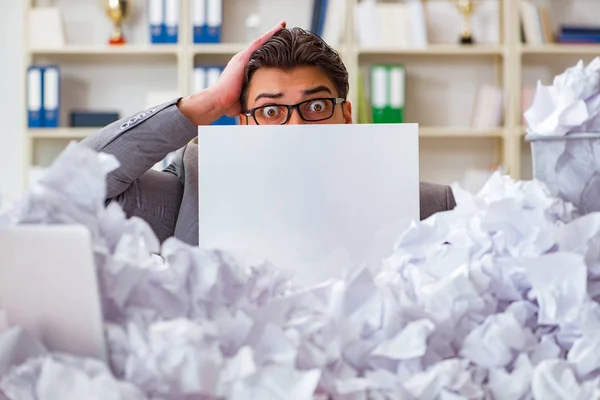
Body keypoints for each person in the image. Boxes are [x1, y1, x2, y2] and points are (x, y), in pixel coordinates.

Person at [81, 22, 456, 246]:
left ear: (346, 115)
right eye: (272, 110)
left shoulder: (430, 207)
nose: (296, 127)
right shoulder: (193, 193)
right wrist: (202, 106)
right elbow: (74, 190)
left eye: (315, 106)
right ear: (244, 124)